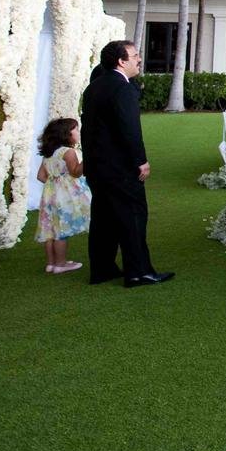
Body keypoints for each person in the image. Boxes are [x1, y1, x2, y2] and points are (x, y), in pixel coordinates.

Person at [81, 40, 172, 286]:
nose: (139, 59)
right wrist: (140, 161)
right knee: (133, 217)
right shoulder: (123, 88)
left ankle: (102, 269)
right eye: (134, 55)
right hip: (120, 168)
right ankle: (138, 271)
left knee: (103, 219)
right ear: (121, 61)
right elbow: (129, 129)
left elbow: (89, 131)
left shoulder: (94, 87)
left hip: (97, 167)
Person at [35, 117, 89, 275]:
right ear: (66, 134)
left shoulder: (49, 153)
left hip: (50, 194)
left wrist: (55, 182)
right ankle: (61, 263)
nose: (78, 133)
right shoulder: (68, 152)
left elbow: (40, 176)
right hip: (64, 196)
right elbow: (75, 172)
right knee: (61, 229)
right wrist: (87, 161)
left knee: (50, 229)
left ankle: (51, 263)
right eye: (76, 130)